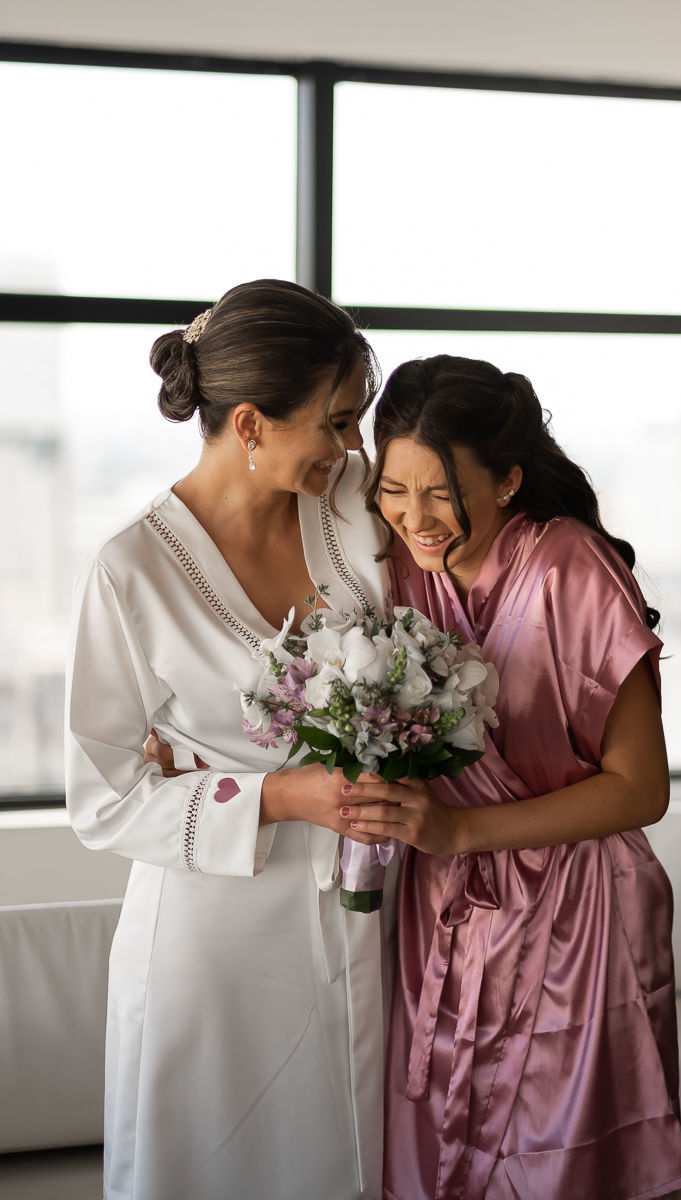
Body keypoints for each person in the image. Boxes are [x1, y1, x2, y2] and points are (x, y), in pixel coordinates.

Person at [340, 355, 681, 1200]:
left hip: (580, 918)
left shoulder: (570, 567)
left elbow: (641, 789)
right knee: (432, 1160)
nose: (416, 519)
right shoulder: (395, 572)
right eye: (395, 490)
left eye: (441, 493)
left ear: (507, 479)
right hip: (443, 916)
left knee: (559, 1169)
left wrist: (460, 830)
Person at [65, 280, 395, 1200]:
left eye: (356, 418)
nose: (353, 445)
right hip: (215, 941)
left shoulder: (357, 508)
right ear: (249, 423)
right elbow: (101, 799)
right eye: (334, 423)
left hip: (371, 912)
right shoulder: (131, 572)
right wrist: (282, 796)